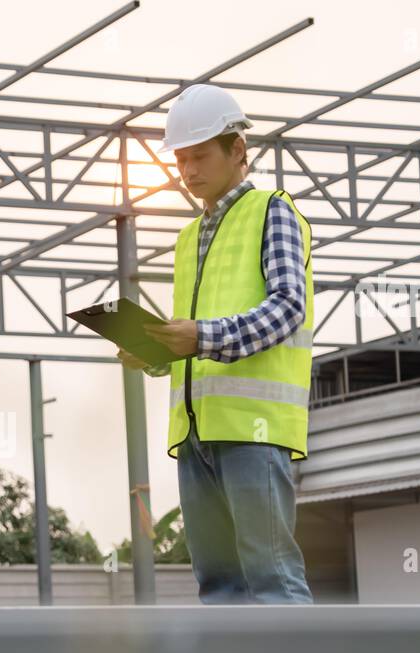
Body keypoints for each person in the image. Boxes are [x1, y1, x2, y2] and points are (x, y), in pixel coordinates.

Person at [117, 84, 314, 604]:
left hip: (253, 427)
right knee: (219, 588)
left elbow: (288, 308)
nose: (189, 171)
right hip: (195, 434)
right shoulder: (188, 238)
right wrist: (158, 353)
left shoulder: (272, 211)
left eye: (200, 156)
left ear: (238, 150)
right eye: (181, 160)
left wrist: (200, 336)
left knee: (272, 579)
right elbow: (194, 339)